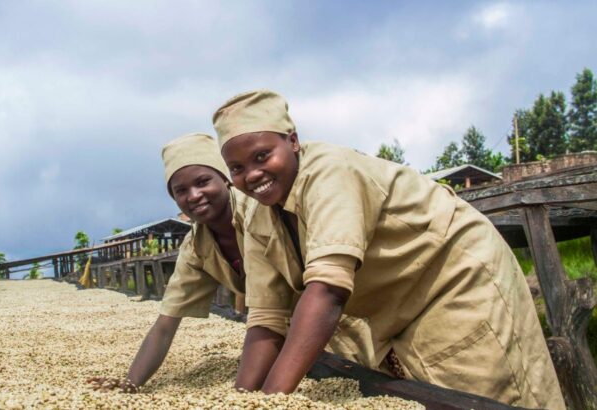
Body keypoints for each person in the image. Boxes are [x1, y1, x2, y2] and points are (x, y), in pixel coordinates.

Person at [213, 89, 565, 409]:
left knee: (477, 392)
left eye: (262, 156)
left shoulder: (330, 172)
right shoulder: (257, 214)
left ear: (292, 141)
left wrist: (272, 402)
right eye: (238, 168)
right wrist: (242, 400)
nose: (253, 174)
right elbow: (266, 318)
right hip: (395, 300)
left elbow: (327, 292)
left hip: (453, 277)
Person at [89, 133, 254, 392]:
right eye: (181, 190)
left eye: (203, 182)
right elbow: (166, 324)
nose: (194, 195)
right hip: (276, 327)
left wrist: (245, 392)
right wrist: (130, 385)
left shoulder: (258, 211)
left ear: (224, 178)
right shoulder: (196, 247)